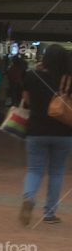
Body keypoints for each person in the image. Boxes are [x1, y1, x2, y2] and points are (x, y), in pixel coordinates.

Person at [20, 44, 72, 225]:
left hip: (36, 130)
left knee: (34, 170)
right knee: (56, 173)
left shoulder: (32, 75)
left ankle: (29, 198)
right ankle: (49, 213)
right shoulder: (69, 79)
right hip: (64, 132)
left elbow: (26, 101)